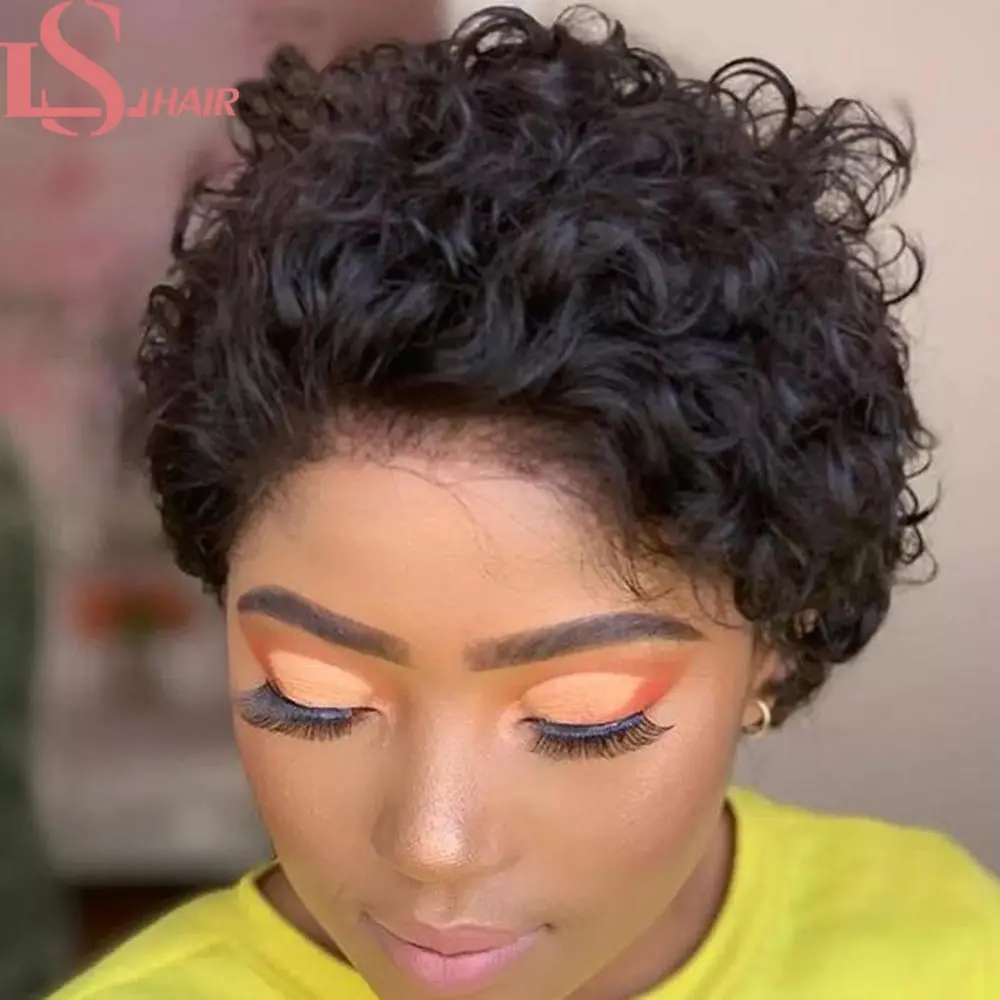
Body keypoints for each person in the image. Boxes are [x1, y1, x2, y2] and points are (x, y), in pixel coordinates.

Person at [50, 6, 1000, 999]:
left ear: (778, 636)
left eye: (581, 716)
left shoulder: (945, 949)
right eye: (314, 696)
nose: (433, 845)